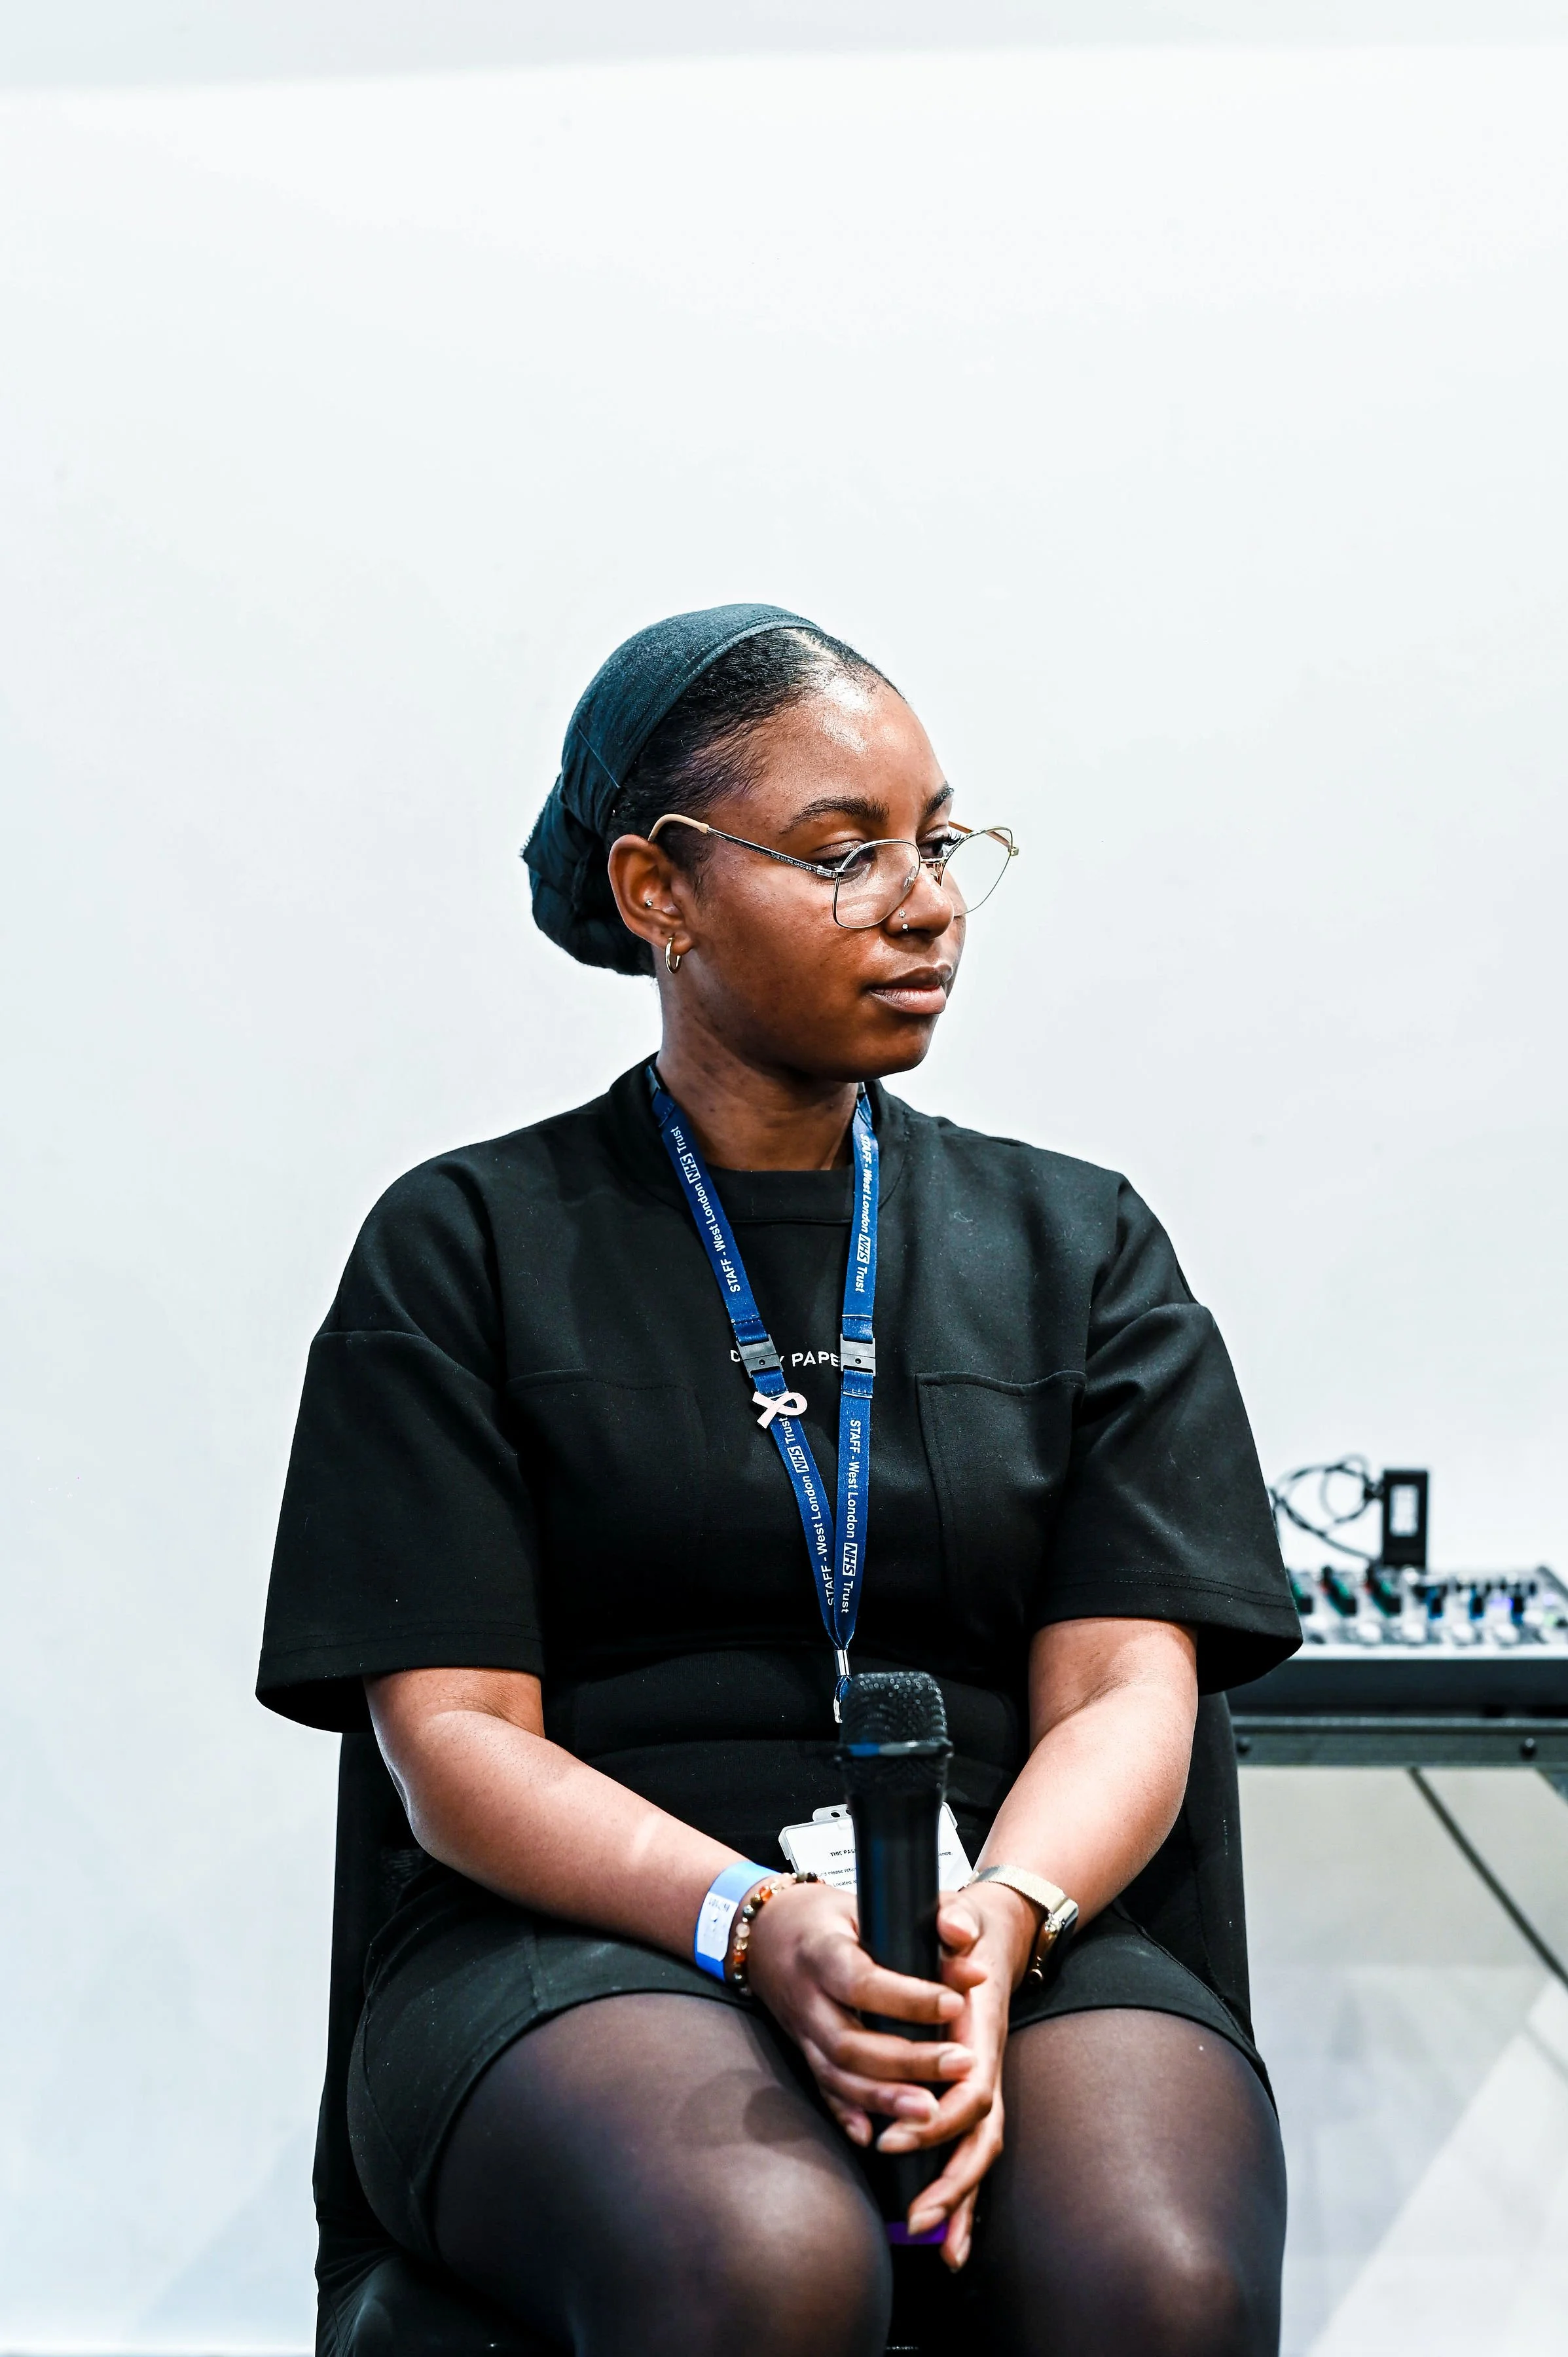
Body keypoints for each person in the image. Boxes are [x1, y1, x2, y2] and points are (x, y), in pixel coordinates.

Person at [259, 603, 1300, 2357]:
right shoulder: (468, 1246)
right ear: (657, 891)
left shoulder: (1080, 1246)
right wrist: (754, 1924)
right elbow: (455, 1739)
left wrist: (999, 1923)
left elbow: (1130, 1688)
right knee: (763, 2257)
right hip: (581, 1935)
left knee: (1158, 2279)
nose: (925, 902)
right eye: (841, 854)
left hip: (998, 1904)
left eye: (938, 843)